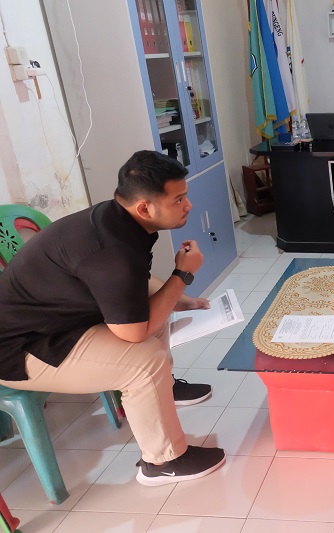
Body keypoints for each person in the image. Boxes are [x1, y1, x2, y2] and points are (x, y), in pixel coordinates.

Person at [0, 151, 226, 486]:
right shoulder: (112, 250)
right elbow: (134, 333)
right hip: (22, 349)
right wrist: (182, 275)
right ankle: (162, 461)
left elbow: (136, 282)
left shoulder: (116, 219)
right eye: (178, 199)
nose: (188, 206)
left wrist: (181, 299)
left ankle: (162, 390)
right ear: (145, 208)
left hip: (57, 323)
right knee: (145, 360)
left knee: (157, 308)